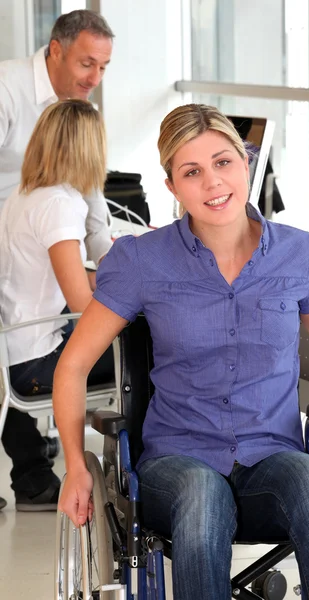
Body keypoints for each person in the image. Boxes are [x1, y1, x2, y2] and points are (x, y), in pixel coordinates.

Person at [54, 103, 309, 600]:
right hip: (176, 464)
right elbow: (74, 363)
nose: (212, 183)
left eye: (223, 162)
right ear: (172, 186)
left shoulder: (302, 255)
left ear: (246, 163)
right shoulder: (141, 261)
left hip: (273, 457)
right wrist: (75, 464)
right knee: (203, 495)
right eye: (192, 172)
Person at [0, 99, 115, 511]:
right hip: (36, 360)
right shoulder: (60, 204)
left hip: (14, 348)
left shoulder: (24, 194)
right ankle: (143, 472)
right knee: (150, 353)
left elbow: (59, 276)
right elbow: (83, 306)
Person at [0, 9, 114, 264]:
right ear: (56, 50)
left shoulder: (82, 107)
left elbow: (92, 203)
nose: (95, 79)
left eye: (103, 68)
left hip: (51, 252)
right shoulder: (5, 88)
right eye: (86, 64)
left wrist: (112, 265)